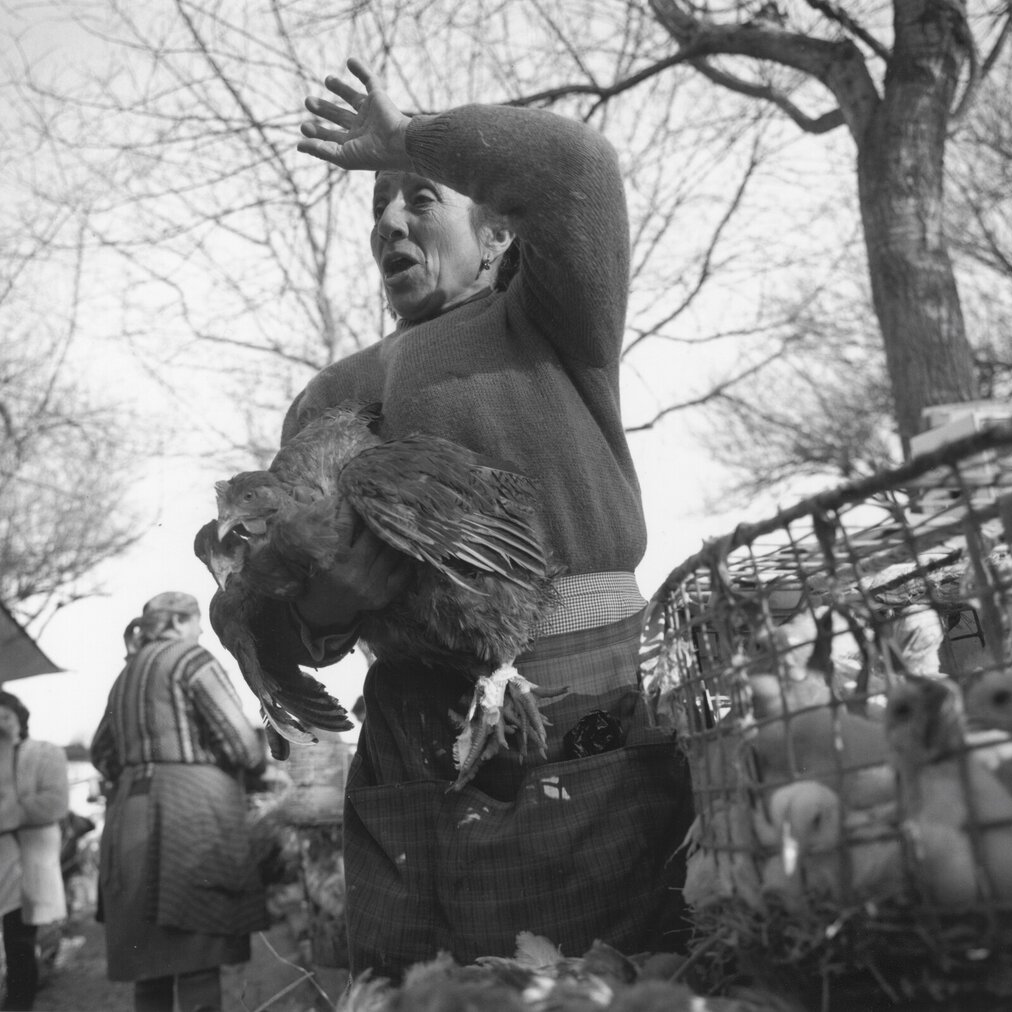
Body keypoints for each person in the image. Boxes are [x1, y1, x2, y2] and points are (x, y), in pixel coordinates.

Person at [252, 57, 694, 978]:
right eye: (378, 208)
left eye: (421, 198)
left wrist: (412, 138)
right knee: (420, 990)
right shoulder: (328, 398)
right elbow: (274, 608)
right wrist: (325, 609)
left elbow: (575, 168)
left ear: (495, 235)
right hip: (407, 743)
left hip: (576, 708)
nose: (389, 221)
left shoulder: (548, 316)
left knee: (592, 982)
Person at [90, 592, 268, 1012]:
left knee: (150, 964)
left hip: (128, 820)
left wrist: (141, 766)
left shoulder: (126, 674)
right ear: (177, 623)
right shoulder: (191, 659)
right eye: (195, 621)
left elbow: (101, 753)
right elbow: (243, 745)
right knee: (197, 957)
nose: (202, 630)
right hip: (190, 816)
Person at [0, 689, 69, 1011]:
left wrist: (10, 814)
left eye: (5, 717)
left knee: (19, 939)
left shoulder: (45, 754)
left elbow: (55, 803)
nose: (0, 725)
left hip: (29, 857)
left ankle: (19, 1003)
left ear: (19, 719)